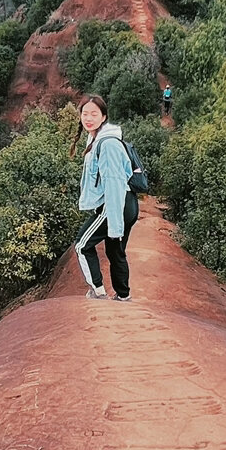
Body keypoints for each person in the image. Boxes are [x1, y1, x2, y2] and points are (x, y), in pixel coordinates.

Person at [75, 94, 137, 301]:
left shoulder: (107, 144)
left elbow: (114, 184)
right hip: (126, 203)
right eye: (85, 113)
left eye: (94, 113)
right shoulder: (96, 138)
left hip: (115, 204)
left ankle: (98, 291)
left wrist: (115, 225)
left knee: (82, 246)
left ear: (104, 117)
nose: (88, 118)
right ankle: (123, 296)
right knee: (115, 252)